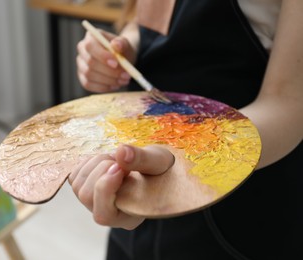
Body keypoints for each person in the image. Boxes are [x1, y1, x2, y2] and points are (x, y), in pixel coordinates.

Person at [69, 0, 303, 259]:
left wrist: (184, 155)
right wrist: (125, 49)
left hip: (239, 211)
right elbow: (145, 22)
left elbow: (288, 104)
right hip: (141, 182)